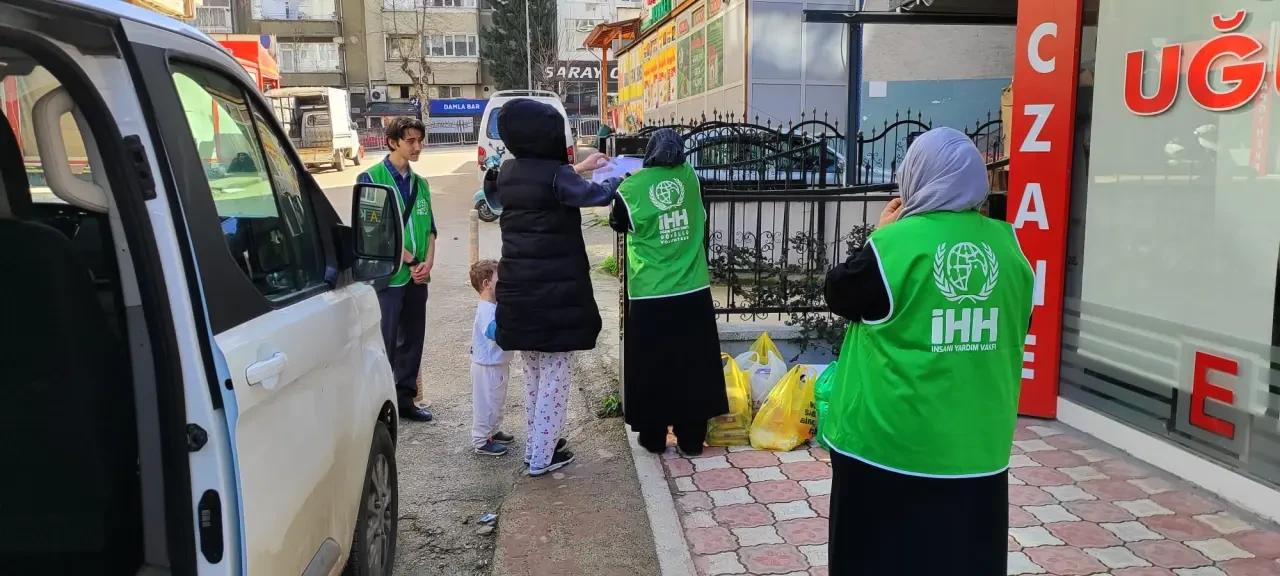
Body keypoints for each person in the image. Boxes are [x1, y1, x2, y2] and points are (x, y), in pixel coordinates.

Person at [820, 127, 1034, 574]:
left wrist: (880, 233)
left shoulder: (894, 245)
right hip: (977, 450)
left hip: (886, 448)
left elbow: (839, 293)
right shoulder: (1011, 249)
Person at [485, 98, 622, 476]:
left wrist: (580, 168)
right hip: (555, 297)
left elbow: (547, 185)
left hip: (518, 294)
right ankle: (541, 458)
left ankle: (537, 446)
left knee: (534, 376)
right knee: (555, 379)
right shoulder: (557, 175)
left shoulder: (508, 172)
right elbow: (596, 195)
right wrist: (620, 178)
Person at [609, 128, 728, 456]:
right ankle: (691, 440)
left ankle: (653, 438)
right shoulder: (692, 179)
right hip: (693, 290)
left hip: (650, 293)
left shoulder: (630, 189)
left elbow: (618, 223)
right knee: (694, 365)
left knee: (652, 367)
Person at [358, 116, 436, 422]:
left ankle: (405, 400)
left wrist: (428, 263)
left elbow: (431, 228)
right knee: (385, 343)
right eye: (411, 141)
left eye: (420, 141)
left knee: (412, 341)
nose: (418, 147)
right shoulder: (371, 178)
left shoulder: (421, 184)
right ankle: (380, 407)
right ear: (393, 142)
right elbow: (373, 233)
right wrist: (411, 261)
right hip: (389, 278)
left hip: (418, 277)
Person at [468, 259, 515, 456]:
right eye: (499, 280)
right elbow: (492, 331)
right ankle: (481, 440)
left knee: (497, 401)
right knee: (486, 404)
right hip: (487, 365)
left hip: (498, 362)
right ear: (487, 284)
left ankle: (493, 431)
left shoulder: (494, 306)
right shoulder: (486, 309)